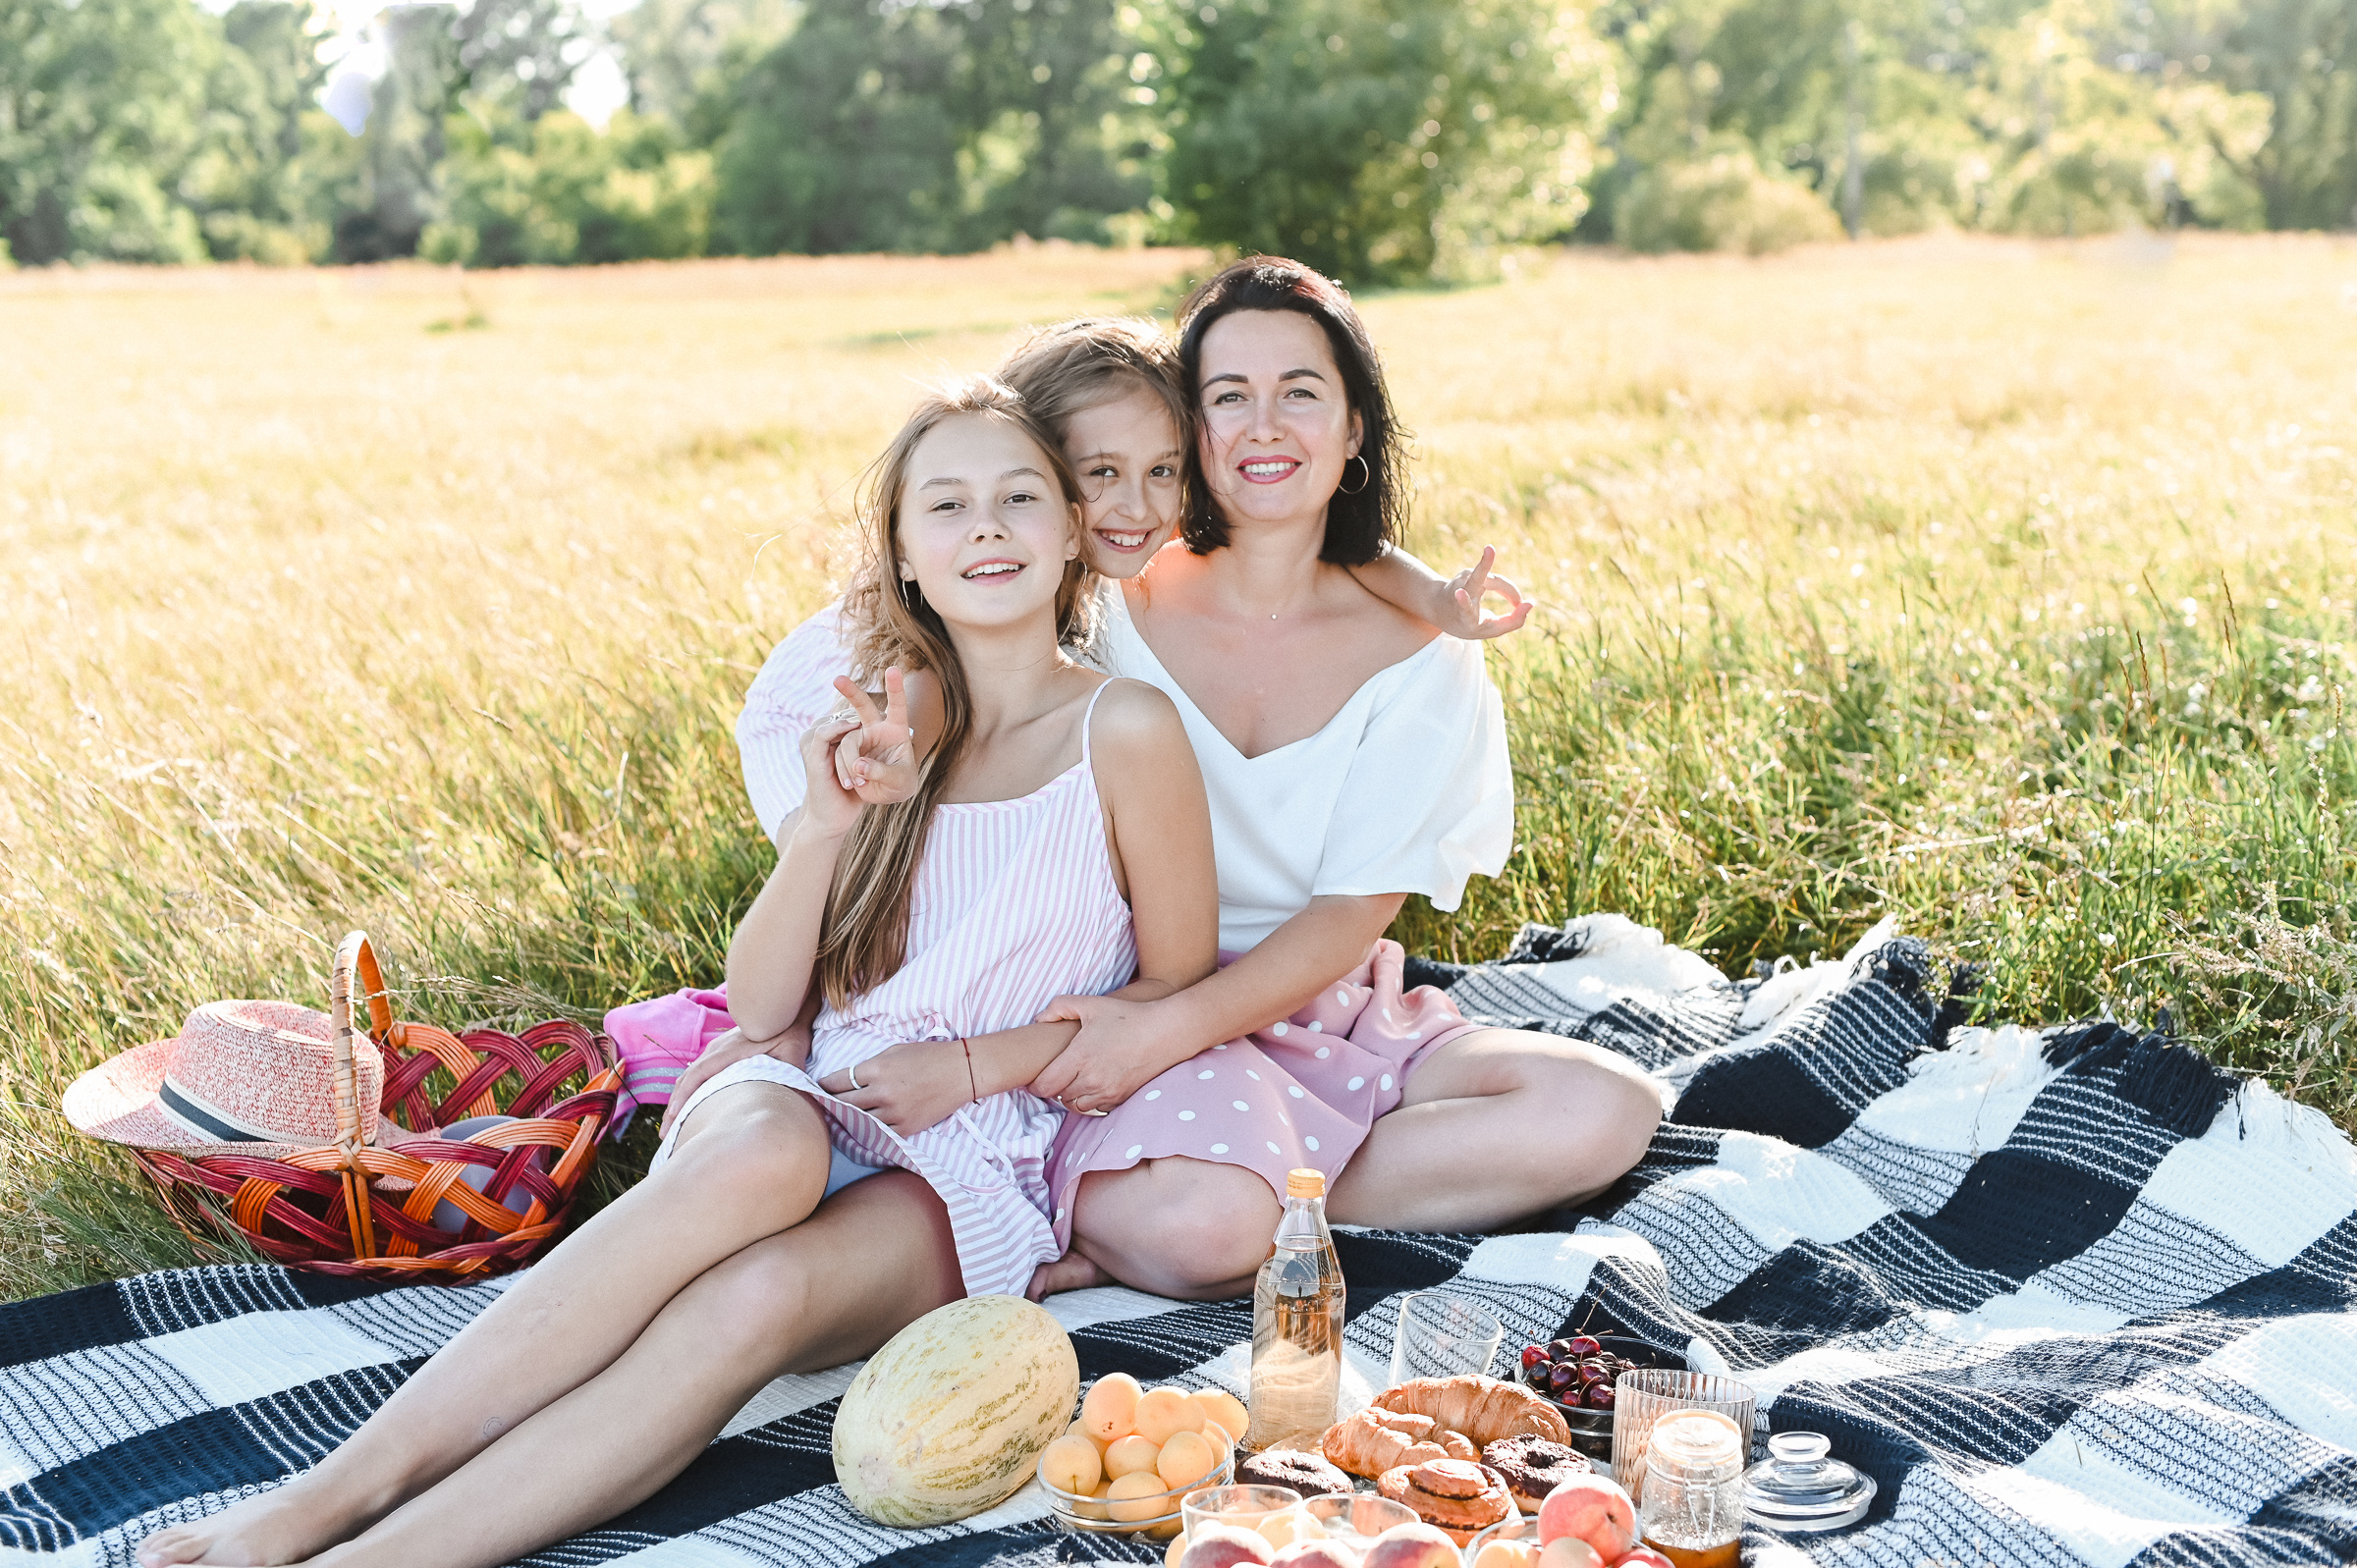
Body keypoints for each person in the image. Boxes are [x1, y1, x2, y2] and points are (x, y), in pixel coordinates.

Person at [133, 378, 1218, 1568]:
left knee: (750, 1305)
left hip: (979, 1141)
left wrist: (973, 1067)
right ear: (905, 553)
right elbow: (763, 1008)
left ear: (1070, 528)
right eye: (947, 505)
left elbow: (1177, 983)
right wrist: (823, 822)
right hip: (809, 1083)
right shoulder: (889, 715)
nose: (989, 528)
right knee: (764, 1150)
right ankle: (324, 1498)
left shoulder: (1126, 730)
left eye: (1020, 497)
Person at [639, 314, 1533, 1121]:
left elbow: (1317, 540)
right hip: (974, 971)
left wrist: (1433, 595)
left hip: (1142, 999)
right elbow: (869, 874)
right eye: (1096, 474)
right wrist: (791, 1024)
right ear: (1038, 482)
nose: (1134, 508)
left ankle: (1302, 1175)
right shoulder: (966, 639)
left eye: (1162, 472)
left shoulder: (1130, 577)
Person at [1016, 257, 1666, 1301]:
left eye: (1300, 394)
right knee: (1197, 1227)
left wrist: (1170, 1035)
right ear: (1192, 430)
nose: (1263, 426)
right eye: (1229, 397)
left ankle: (1259, 1200)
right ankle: (1202, 1205)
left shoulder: (1422, 648)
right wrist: (1149, 1029)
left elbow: (1347, 917)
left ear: (1354, 427)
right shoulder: (1108, 596)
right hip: (1128, 991)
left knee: (1609, 1108)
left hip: (1318, 1000)